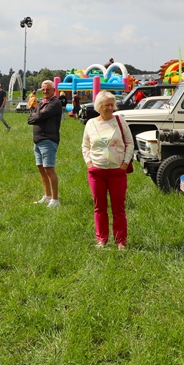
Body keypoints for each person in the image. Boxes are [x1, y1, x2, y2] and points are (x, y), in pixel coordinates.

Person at [81, 91, 132, 249]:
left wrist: (125, 163)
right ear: (99, 106)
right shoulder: (91, 123)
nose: (110, 108)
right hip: (97, 172)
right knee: (99, 207)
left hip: (117, 171)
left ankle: (121, 241)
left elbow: (130, 143)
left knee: (119, 208)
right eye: (107, 105)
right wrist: (89, 163)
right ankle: (102, 239)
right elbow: (85, 146)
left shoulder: (119, 121)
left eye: (112, 105)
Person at [27, 80, 63, 208]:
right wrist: (37, 115)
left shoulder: (55, 103)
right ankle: (47, 196)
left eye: (48, 89)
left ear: (54, 90)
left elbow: (38, 117)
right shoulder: (42, 103)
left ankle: (55, 200)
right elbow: (30, 119)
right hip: (37, 140)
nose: (45, 91)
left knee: (49, 168)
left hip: (48, 139)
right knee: (41, 168)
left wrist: (36, 115)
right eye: (43, 89)